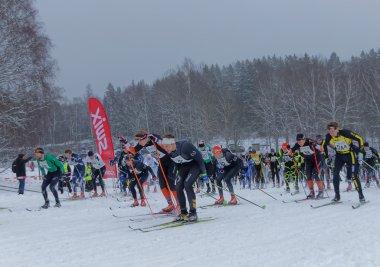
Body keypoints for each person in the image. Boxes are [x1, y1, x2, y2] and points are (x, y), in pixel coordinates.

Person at [160, 134, 208, 221]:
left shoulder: (185, 146)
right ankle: (183, 212)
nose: (165, 148)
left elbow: (199, 157)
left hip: (195, 165)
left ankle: (193, 213)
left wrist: (203, 173)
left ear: (172, 143)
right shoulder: (170, 153)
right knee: (178, 187)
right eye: (164, 146)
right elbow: (177, 163)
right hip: (184, 167)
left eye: (166, 146)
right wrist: (180, 176)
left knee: (187, 185)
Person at [133, 131, 178, 212]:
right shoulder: (143, 143)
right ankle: (170, 204)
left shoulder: (153, 138)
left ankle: (179, 204)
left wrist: (155, 139)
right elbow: (132, 151)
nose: (138, 143)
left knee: (170, 183)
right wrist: (125, 143)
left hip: (171, 161)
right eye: (137, 141)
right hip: (161, 163)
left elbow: (165, 144)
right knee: (162, 184)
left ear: (145, 138)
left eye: (139, 140)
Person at [322, 122, 365, 202]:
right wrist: (326, 157)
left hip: (350, 154)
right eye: (329, 131)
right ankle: (337, 196)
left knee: (353, 175)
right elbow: (323, 145)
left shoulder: (345, 133)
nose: (331, 133)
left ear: (337, 129)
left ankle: (361, 196)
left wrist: (361, 153)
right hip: (339, 156)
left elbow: (359, 138)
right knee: (335, 174)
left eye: (332, 131)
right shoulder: (328, 136)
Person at [292, 133, 324, 199]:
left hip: (317, 159)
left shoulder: (310, 142)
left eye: (300, 141)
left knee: (315, 173)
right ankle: (312, 192)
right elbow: (291, 150)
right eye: (298, 141)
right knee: (308, 175)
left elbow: (321, 148)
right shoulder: (297, 144)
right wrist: (292, 152)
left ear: (304, 140)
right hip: (308, 161)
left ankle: (321, 192)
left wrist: (316, 146)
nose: (299, 142)